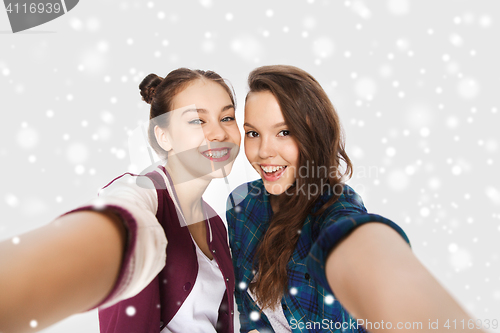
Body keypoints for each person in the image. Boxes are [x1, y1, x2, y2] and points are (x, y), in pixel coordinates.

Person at [227, 65, 486, 333]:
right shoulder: (241, 205)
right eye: (253, 133)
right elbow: (249, 312)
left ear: (313, 135)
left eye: (284, 132)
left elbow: (356, 242)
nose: (264, 151)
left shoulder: (334, 207)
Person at [0, 68, 240, 333]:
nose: (219, 134)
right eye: (197, 121)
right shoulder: (143, 192)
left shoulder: (216, 223)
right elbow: (124, 218)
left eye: (227, 117)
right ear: (164, 136)